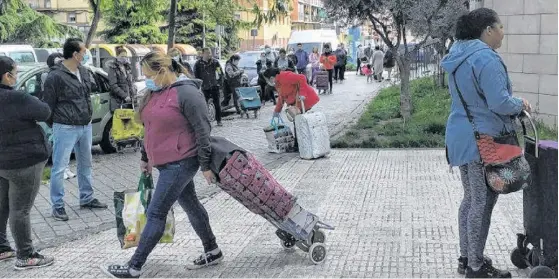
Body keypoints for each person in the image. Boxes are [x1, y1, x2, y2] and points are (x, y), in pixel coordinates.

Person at [101, 51, 223, 278]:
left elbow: (203, 130)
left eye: (149, 75)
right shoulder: (155, 92)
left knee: (157, 212)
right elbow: (149, 128)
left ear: (163, 71)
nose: (147, 79)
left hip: (181, 162)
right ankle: (212, 249)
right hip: (164, 162)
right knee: (191, 204)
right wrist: (145, 157)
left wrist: (205, 165)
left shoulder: (187, 93)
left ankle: (134, 266)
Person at [441, 8, 533, 278]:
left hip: (461, 135)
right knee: (482, 203)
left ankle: (466, 258)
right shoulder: (485, 58)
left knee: (471, 200)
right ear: (488, 30)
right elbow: (499, 102)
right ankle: (476, 267)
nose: (504, 32)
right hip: (484, 140)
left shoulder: (458, 55)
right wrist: (521, 104)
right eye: (501, 26)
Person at [43, 38, 108, 222]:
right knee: (59, 168)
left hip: (85, 125)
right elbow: (48, 105)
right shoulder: (55, 76)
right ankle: (58, 206)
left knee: (85, 164)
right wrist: (57, 124)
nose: (86, 54)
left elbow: (87, 96)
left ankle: (86, 198)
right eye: (84, 52)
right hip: (65, 127)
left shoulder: (84, 72)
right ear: (75, 54)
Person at [0, 56, 55, 270]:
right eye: (16, 71)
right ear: (7, 75)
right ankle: (26, 255)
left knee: (3, 206)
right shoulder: (17, 97)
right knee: (20, 210)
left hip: (2, 163)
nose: (17, 75)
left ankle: (2, 247)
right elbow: (44, 111)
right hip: (24, 162)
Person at [41, 53, 76, 181]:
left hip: (66, 115)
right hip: (56, 116)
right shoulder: (48, 75)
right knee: (58, 145)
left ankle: (66, 168)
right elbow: (50, 97)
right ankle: (60, 170)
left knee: (67, 145)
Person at [265, 68, 320, 149]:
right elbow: (281, 97)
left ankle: (300, 144)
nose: (267, 82)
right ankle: (300, 143)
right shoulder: (277, 83)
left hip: (304, 100)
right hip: (296, 104)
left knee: (298, 122)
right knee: (297, 122)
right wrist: (277, 111)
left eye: (267, 80)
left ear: (271, 78)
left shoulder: (285, 76)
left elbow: (302, 78)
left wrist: (302, 93)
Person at [194, 47, 224, 127]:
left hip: (214, 86)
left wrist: (219, 83)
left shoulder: (215, 62)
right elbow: (196, 76)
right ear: (203, 53)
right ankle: (205, 121)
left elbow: (220, 73)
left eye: (210, 52)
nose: (209, 54)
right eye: (207, 53)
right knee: (204, 105)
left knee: (217, 104)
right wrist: (198, 86)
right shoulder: (198, 64)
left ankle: (219, 120)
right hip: (204, 87)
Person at [107, 46, 137, 113]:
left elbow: (131, 82)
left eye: (126, 56)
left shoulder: (127, 67)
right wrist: (125, 96)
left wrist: (133, 93)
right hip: (118, 101)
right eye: (122, 56)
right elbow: (113, 85)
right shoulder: (113, 68)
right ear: (117, 56)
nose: (124, 58)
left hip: (129, 101)